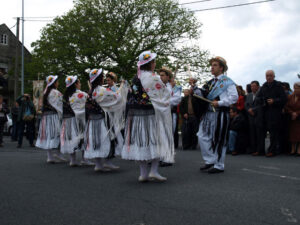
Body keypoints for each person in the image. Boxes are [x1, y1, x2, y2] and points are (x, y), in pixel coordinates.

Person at [122, 51, 175, 182]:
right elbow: (164, 95)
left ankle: (143, 173)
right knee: (156, 141)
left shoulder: (136, 77)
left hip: (136, 116)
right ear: (150, 63)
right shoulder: (153, 77)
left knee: (141, 142)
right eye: (154, 61)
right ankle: (154, 171)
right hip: (151, 115)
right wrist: (170, 87)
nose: (155, 64)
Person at [194, 56, 238, 173]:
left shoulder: (228, 82)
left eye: (215, 65)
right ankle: (210, 161)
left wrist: (220, 103)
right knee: (202, 136)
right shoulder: (209, 83)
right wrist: (194, 87)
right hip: (208, 114)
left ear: (221, 68)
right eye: (211, 65)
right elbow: (202, 94)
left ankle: (219, 165)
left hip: (220, 114)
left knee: (219, 139)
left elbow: (234, 98)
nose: (212, 67)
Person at [84, 68, 128, 172]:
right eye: (102, 77)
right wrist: (123, 89)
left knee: (96, 140)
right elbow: (117, 98)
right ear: (100, 79)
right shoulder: (102, 90)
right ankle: (106, 162)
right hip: (103, 120)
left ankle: (99, 164)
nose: (104, 78)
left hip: (92, 121)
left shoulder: (91, 91)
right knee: (107, 140)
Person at [60, 76, 91, 167]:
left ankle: (72, 160)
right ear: (76, 84)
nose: (80, 84)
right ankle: (84, 159)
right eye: (79, 82)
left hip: (68, 120)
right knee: (83, 137)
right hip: (79, 119)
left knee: (71, 138)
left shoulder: (65, 96)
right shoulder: (82, 94)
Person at [255, 70, 287, 157]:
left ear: (274, 76)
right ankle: (260, 150)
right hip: (264, 112)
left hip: (274, 112)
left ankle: (272, 150)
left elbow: (284, 99)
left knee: (273, 133)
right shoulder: (263, 86)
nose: (268, 77)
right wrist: (263, 100)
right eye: (267, 76)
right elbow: (257, 98)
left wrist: (274, 101)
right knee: (261, 132)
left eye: (270, 76)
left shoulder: (278, 86)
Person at [36, 75, 66, 163]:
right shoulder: (56, 93)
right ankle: (58, 153)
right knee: (56, 134)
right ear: (54, 83)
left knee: (48, 135)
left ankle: (50, 156)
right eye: (57, 82)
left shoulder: (45, 92)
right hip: (53, 117)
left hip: (45, 117)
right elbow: (60, 105)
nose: (58, 83)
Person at [244, 81, 265, 155]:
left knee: (259, 134)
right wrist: (249, 110)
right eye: (251, 86)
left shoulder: (261, 95)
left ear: (258, 87)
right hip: (250, 117)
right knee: (252, 134)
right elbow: (246, 105)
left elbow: (263, 105)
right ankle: (253, 149)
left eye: (254, 86)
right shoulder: (249, 95)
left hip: (259, 116)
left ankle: (260, 150)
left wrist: (253, 110)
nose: (252, 87)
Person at [180, 82, 200, 150]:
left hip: (194, 116)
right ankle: (186, 145)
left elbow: (199, 107)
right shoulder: (184, 99)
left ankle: (193, 145)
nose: (191, 91)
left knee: (194, 131)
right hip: (187, 116)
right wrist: (184, 113)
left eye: (192, 90)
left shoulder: (196, 98)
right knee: (186, 131)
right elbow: (181, 107)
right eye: (190, 90)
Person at [284, 82, 300, 155]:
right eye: (295, 88)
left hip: (298, 117)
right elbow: (286, 106)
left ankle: (299, 149)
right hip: (291, 117)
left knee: (299, 133)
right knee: (292, 133)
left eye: (297, 88)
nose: (296, 90)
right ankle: (293, 148)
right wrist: (292, 113)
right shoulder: (290, 97)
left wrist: (296, 113)